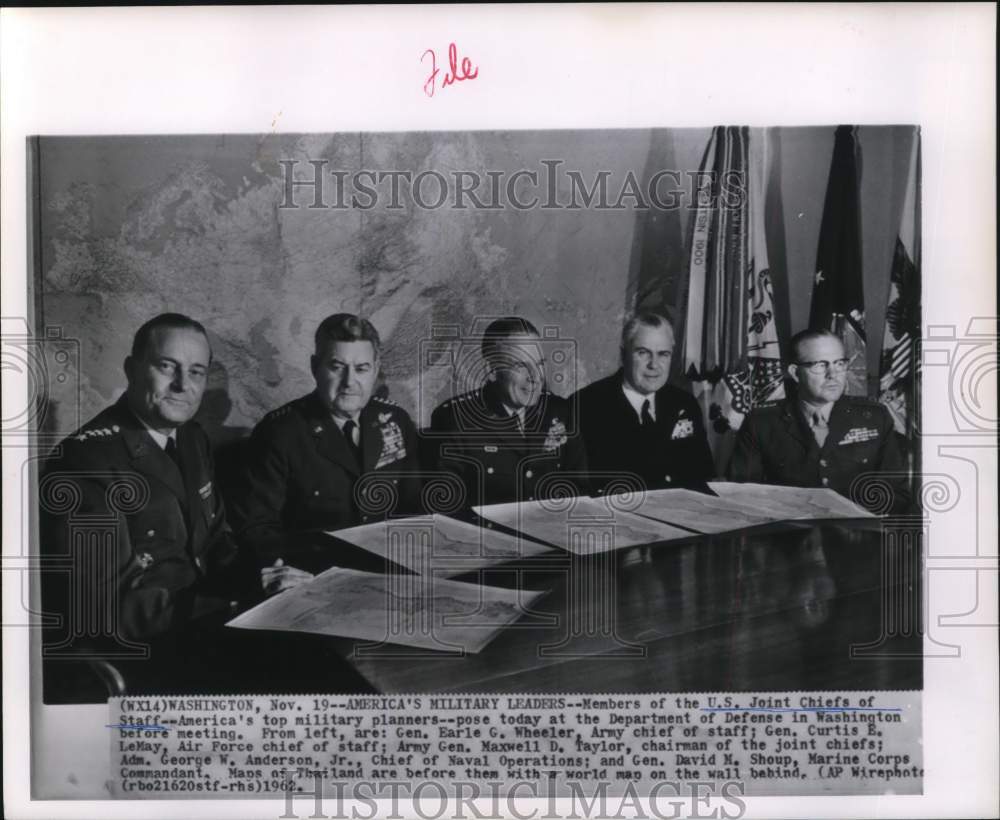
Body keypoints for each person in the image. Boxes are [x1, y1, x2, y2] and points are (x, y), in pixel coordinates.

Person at [39, 313, 260, 696]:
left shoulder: (191, 439)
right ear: (131, 369)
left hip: (204, 626)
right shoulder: (85, 463)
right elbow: (103, 613)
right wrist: (230, 603)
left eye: (196, 372)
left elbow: (216, 541)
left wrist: (264, 577)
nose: (182, 386)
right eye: (166, 366)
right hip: (150, 654)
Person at [231, 313, 423, 579]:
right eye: (336, 366)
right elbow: (256, 527)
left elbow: (415, 508)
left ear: (376, 369)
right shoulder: (281, 433)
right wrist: (280, 572)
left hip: (390, 573)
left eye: (362, 369)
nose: (349, 382)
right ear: (315, 367)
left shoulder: (395, 421)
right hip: (314, 578)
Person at [728, 329, 909, 512]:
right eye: (820, 365)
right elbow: (743, 494)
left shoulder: (875, 418)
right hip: (787, 533)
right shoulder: (762, 422)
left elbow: (896, 495)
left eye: (839, 363)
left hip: (858, 533)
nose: (833, 374)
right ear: (795, 373)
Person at [425, 316, 588, 507]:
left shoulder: (559, 411)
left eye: (540, 364)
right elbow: (446, 506)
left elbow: (579, 490)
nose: (535, 377)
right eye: (520, 366)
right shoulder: (456, 419)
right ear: (492, 370)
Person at [573, 311, 714, 494]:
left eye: (663, 354)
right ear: (624, 355)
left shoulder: (684, 403)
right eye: (643, 353)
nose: (654, 365)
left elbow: (703, 473)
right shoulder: (586, 406)